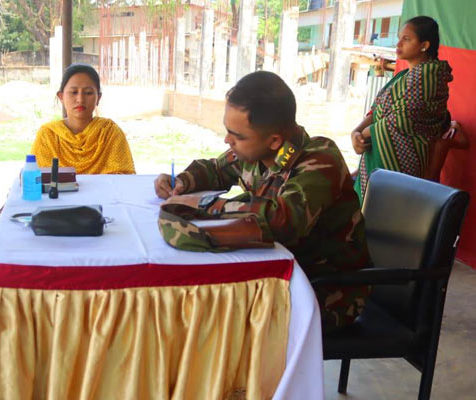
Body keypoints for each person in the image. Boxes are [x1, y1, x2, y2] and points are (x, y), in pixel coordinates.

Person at [154, 71, 370, 330]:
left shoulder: (320, 161)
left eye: (237, 135)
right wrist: (182, 181)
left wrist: (206, 208)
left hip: (325, 292)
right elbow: (216, 169)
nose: (227, 141)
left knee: (210, 318)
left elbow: (282, 221)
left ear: (274, 140)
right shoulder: (256, 153)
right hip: (277, 278)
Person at [352, 16, 452, 202]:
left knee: (383, 217)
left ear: (424, 45)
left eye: (406, 39)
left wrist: (366, 134)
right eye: (399, 37)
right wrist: (355, 132)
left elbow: (403, 120)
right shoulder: (404, 76)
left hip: (402, 162)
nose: (398, 43)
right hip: (377, 157)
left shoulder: (430, 75)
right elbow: (377, 109)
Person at [31, 63, 135, 174]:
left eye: (88, 93)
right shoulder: (48, 135)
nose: (80, 99)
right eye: (73, 92)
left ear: (98, 98)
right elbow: (37, 178)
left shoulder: (109, 133)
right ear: (61, 97)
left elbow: (124, 177)